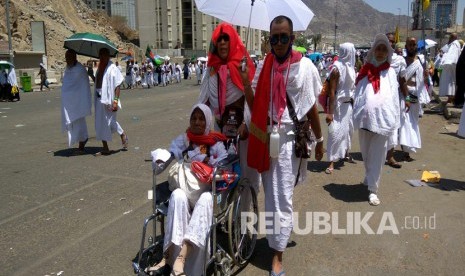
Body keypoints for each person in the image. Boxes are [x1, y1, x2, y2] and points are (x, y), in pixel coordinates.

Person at [240, 15, 324, 276]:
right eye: (273, 38)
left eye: (283, 37)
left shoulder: (305, 67)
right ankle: (278, 237)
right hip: (268, 139)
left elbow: (311, 107)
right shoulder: (265, 66)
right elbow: (255, 109)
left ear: (292, 38)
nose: (278, 42)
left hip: (289, 142)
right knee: (271, 197)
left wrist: (320, 140)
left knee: (283, 198)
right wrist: (245, 81)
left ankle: (277, 255)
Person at [150, 104, 228, 276]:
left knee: (207, 199)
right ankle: (168, 257)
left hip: (205, 191)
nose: (197, 122)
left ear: (207, 121)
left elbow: (223, 165)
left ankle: (183, 257)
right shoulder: (185, 139)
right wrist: (161, 161)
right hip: (185, 190)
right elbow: (171, 152)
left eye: (201, 119)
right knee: (177, 195)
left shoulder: (216, 144)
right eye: (194, 118)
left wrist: (205, 160)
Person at [198, 22, 259, 192]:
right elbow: (203, 101)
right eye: (219, 39)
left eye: (226, 38)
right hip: (220, 129)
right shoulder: (210, 69)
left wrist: (246, 123)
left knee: (245, 176)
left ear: (233, 41)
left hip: (242, 131)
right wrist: (197, 123)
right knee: (221, 173)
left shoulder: (243, 66)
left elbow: (251, 100)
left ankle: (245, 213)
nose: (223, 42)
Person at [353, 33, 400, 206]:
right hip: (365, 121)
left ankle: (373, 189)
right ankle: (369, 175)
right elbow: (358, 93)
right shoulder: (365, 70)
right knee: (366, 153)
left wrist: (394, 118)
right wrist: (356, 113)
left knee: (378, 155)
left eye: (383, 49)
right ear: (373, 50)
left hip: (383, 121)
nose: (380, 52)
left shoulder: (391, 72)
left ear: (387, 52)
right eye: (378, 49)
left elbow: (394, 96)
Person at [324, 42, 356, 174]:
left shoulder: (351, 67)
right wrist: (330, 113)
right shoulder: (336, 69)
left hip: (348, 105)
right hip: (338, 106)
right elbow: (332, 92)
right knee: (335, 133)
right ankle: (331, 161)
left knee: (348, 131)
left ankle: (346, 153)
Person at [92, 47, 128, 155]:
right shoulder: (98, 69)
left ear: (108, 56)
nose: (102, 57)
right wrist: (91, 75)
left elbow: (117, 86)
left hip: (109, 98)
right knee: (100, 122)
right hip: (99, 98)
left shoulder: (113, 68)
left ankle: (122, 134)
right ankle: (105, 147)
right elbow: (98, 83)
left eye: (105, 55)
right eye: (101, 55)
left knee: (110, 121)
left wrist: (116, 101)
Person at [61, 49, 92, 154]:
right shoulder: (68, 69)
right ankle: (82, 140)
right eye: (66, 58)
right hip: (70, 103)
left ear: (74, 57)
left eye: (68, 57)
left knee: (78, 122)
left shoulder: (80, 69)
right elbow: (67, 84)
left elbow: (82, 87)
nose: (67, 60)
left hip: (78, 102)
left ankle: (81, 144)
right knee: (74, 122)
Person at [398, 37, 424, 161]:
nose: (412, 47)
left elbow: (422, 80)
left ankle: (408, 147)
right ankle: (406, 150)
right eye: (410, 44)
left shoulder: (420, 61)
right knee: (404, 122)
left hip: (415, 95)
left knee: (412, 122)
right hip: (404, 94)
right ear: (406, 46)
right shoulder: (402, 61)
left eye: (414, 44)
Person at [385, 32, 407, 169]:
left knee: (393, 127)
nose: (391, 43)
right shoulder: (376, 58)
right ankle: (378, 154)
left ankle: (390, 156)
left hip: (394, 98)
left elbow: (403, 80)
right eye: (388, 41)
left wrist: (408, 97)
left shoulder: (399, 61)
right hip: (380, 98)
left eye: (393, 41)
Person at [439, 33, 461, 103]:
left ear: (452, 38)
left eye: (450, 38)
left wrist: (447, 62)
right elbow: (444, 51)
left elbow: (452, 55)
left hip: (451, 65)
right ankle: (450, 98)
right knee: (450, 81)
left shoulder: (455, 44)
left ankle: (452, 98)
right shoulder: (452, 44)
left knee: (450, 81)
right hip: (451, 65)